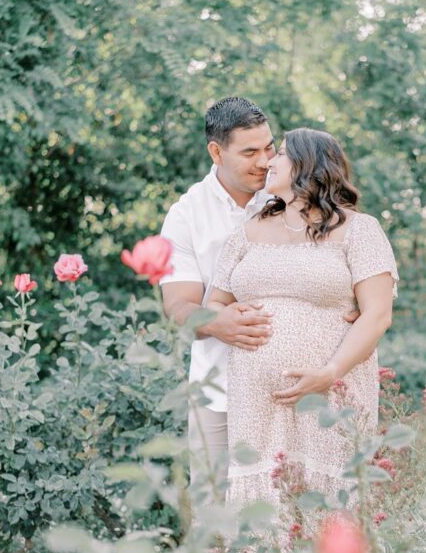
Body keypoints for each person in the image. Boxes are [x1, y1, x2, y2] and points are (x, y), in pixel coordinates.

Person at [207, 127, 398, 508]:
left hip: (330, 391)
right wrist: (230, 319)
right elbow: (213, 306)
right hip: (255, 399)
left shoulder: (359, 230)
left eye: (279, 153)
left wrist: (330, 372)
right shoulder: (246, 233)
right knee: (262, 508)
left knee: (329, 505)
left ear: (308, 163)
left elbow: (377, 317)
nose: (268, 162)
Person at [159, 97, 276, 486]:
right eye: (249, 152)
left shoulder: (289, 194)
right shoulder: (186, 214)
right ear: (216, 152)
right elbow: (177, 305)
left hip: (287, 387)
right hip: (218, 393)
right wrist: (217, 322)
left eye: (269, 147)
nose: (264, 161)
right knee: (215, 518)